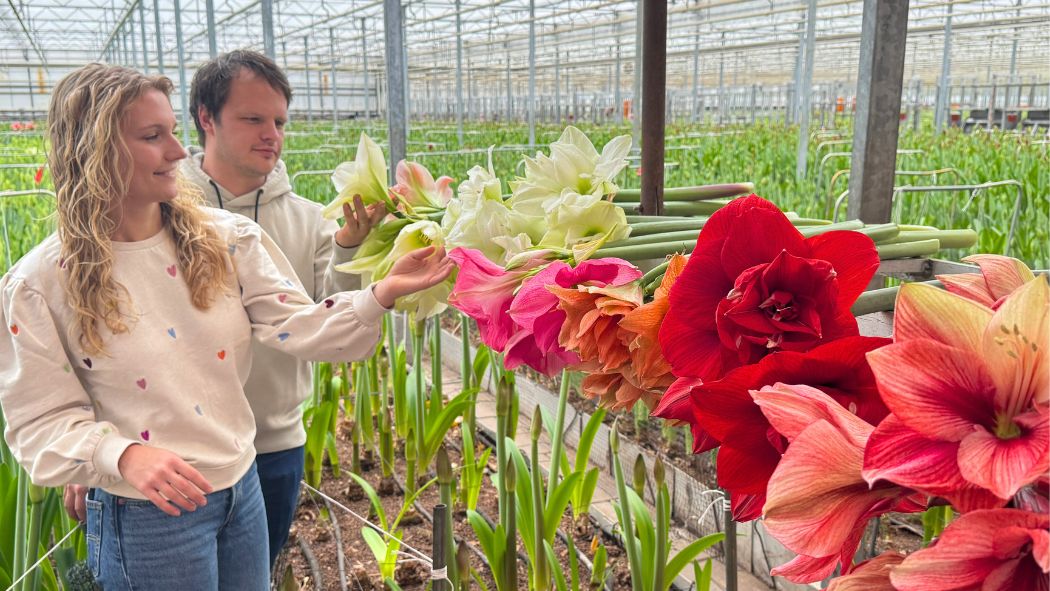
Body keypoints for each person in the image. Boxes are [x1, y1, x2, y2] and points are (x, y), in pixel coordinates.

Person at [0, 63, 453, 590]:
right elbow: (38, 422)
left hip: (243, 490)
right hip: (150, 513)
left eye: (172, 131)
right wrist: (120, 454)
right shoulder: (39, 283)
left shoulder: (228, 239)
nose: (176, 151)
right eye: (152, 136)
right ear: (92, 149)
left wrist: (381, 294)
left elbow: (299, 327)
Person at [64, 49, 385, 571]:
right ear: (205, 119)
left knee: (257, 568)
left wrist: (351, 251)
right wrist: (92, 451)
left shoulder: (312, 220)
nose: (272, 135)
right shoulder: (147, 207)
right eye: (253, 118)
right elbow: (95, 335)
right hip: (167, 457)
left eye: (279, 121)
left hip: (273, 440)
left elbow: (327, 319)